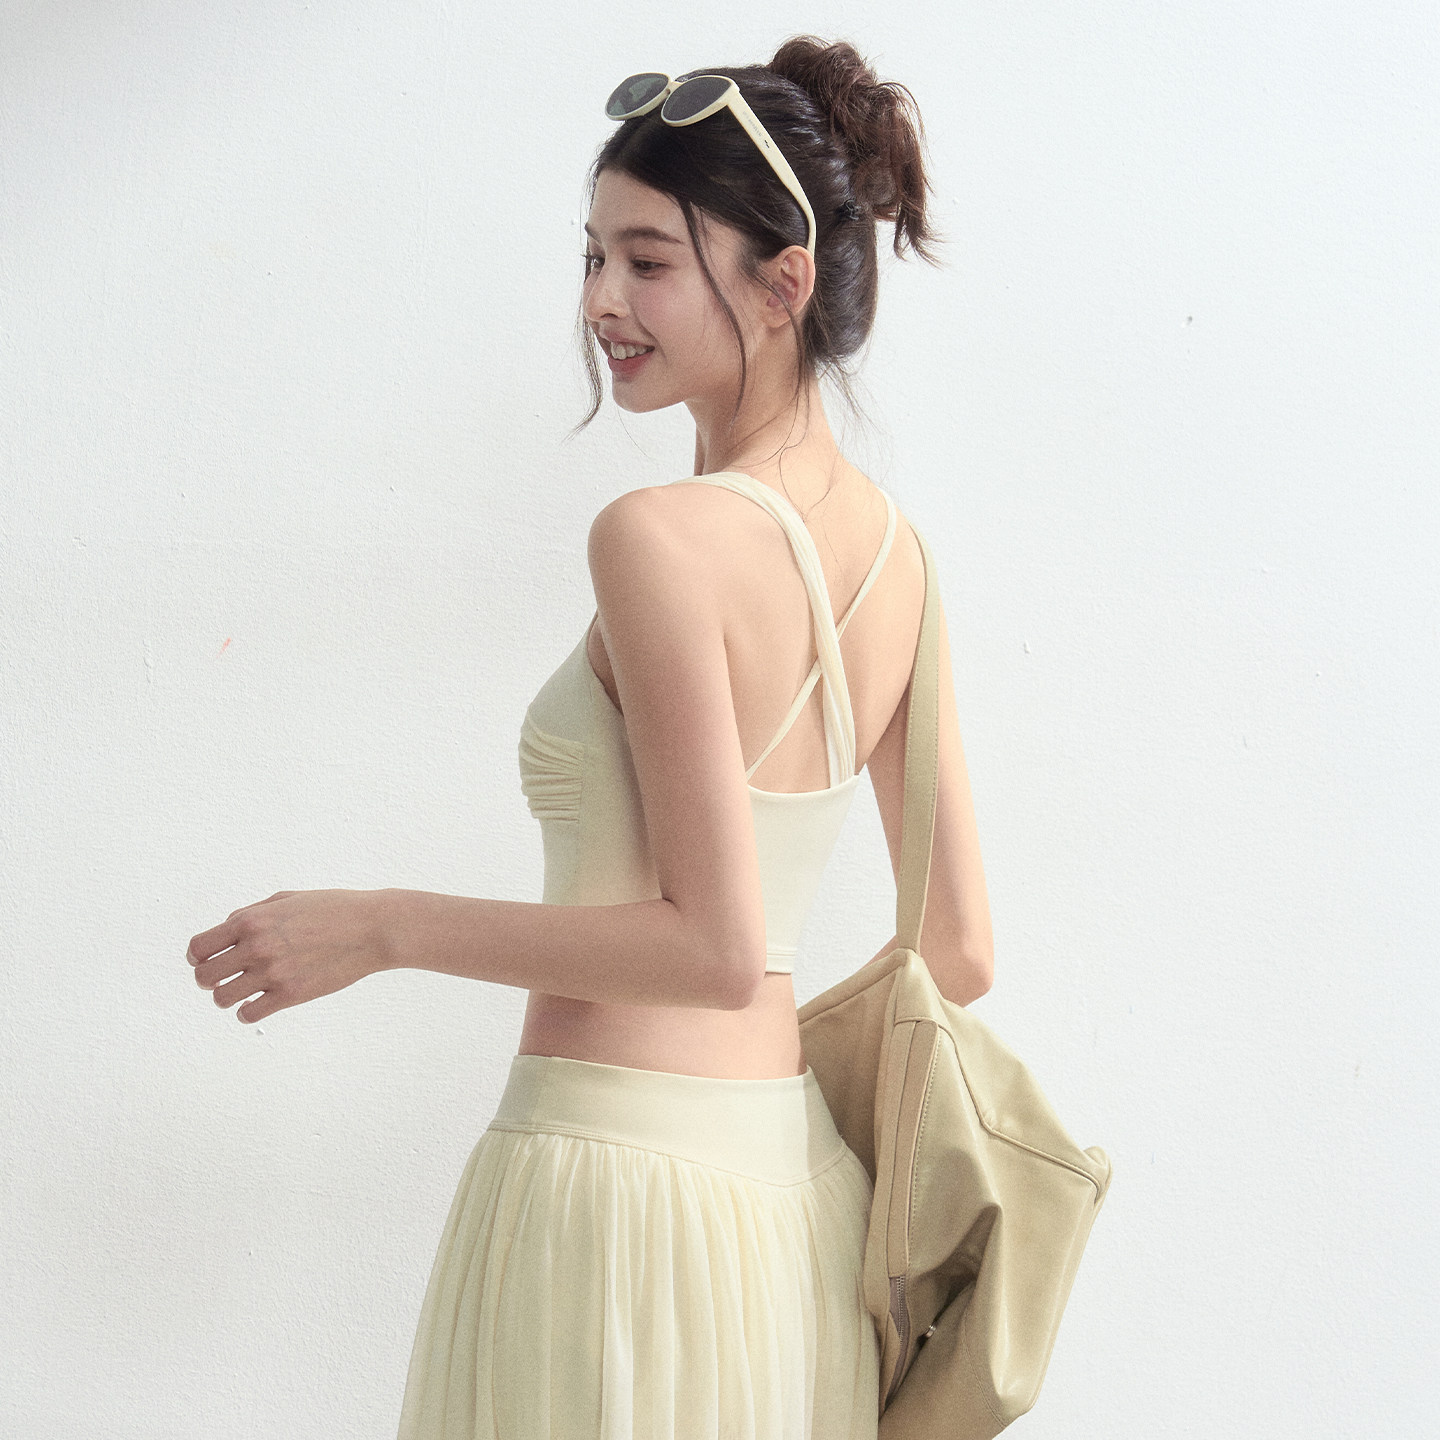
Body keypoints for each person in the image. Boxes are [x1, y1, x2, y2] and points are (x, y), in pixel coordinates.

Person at [186, 33, 994, 1440]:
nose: (601, 300)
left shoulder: (656, 538)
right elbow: (962, 950)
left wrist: (380, 925)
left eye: (648, 261)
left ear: (785, 283)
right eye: (592, 256)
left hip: (611, 1188)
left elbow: (713, 947)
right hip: (794, 1211)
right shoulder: (899, 558)